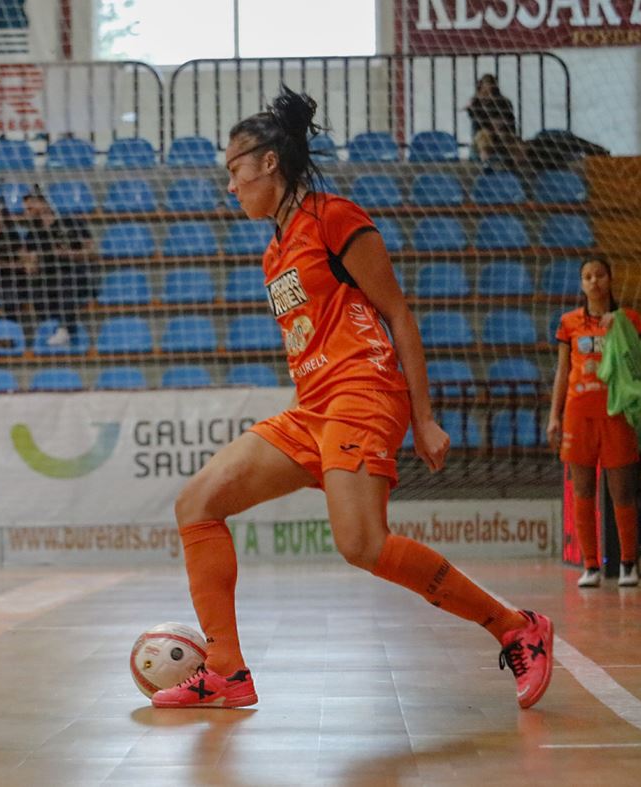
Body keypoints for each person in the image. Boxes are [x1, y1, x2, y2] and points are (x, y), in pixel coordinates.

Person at [151, 87, 553, 711]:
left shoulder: (334, 217)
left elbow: (398, 312)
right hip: (313, 406)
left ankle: (516, 627)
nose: (229, 187)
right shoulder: (273, 251)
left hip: (363, 390)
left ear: (267, 162)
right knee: (196, 503)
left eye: (234, 170)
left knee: (361, 545)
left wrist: (423, 418)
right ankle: (227, 673)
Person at [548, 258, 641, 588]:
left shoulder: (628, 320)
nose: (594, 281)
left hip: (616, 414)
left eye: (599, 275)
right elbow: (563, 372)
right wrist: (553, 417)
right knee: (583, 489)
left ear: (610, 279)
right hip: (578, 414)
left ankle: (629, 563)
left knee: (622, 491)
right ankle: (591, 565)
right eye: (587, 276)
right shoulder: (569, 322)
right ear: (581, 284)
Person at [20, 190, 93, 346]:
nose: (26, 213)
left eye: (29, 208)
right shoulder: (32, 234)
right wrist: (31, 264)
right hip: (46, 278)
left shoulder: (71, 223)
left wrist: (68, 254)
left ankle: (65, 329)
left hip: (74, 273)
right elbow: (28, 264)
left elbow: (91, 252)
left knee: (65, 281)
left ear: (43, 204)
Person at [466, 75, 521, 168]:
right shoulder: (476, 103)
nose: (487, 91)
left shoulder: (504, 102)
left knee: (504, 136)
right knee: (484, 136)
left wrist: (499, 125)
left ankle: (512, 164)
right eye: (484, 88)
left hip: (502, 132)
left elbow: (510, 121)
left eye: (490, 87)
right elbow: (477, 123)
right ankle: (486, 162)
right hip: (485, 134)